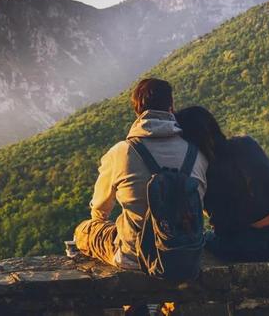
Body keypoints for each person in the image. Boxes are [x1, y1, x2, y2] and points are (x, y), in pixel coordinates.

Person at [73, 79, 209, 269]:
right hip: (185, 253)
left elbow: (100, 208)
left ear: (137, 110)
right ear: (171, 107)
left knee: (84, 230)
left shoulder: (121, 152)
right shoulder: (196, 154)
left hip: (134, 256)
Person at [175, 106, 269, 262]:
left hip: (256, 248)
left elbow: (223, 230)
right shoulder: (247, 143)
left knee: (200, 241)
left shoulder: (208, 171)